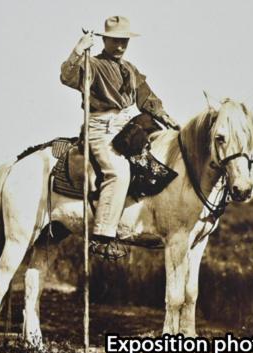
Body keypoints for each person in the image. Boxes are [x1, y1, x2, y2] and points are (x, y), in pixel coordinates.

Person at [60, 16, 180, 260]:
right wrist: (78, 50)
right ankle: (103, 236)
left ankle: (144, 224)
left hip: (127, 126)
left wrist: (165, 116)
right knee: (118, 172)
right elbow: (67, 77)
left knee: (153, 165)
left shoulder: (130, 69)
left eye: (124, 41)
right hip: (101, 127)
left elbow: (147, 97)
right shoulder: (91, 64)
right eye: (115, 41)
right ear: (105, 39)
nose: (121, 46)